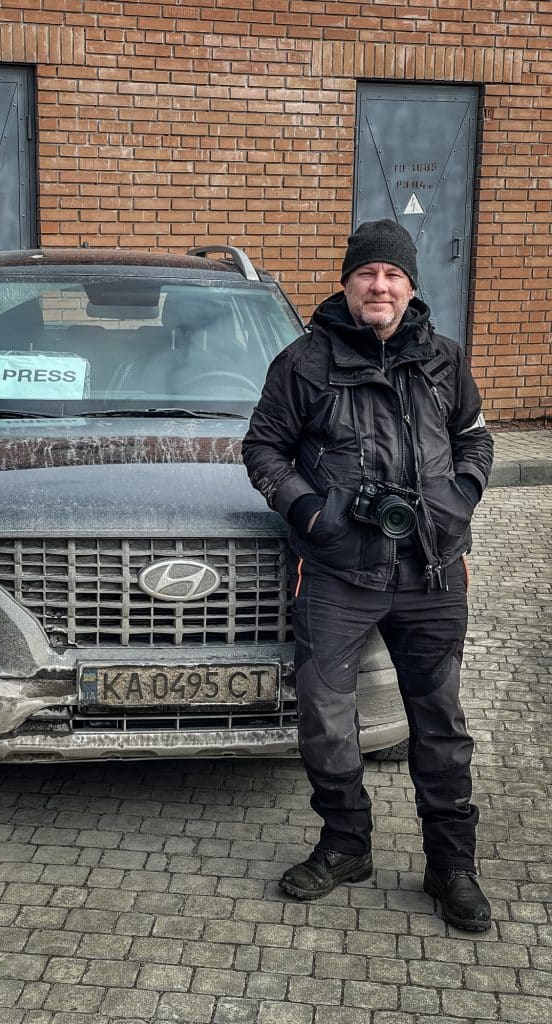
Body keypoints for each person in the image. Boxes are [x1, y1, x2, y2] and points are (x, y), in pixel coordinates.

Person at [242, 220, 494, 931]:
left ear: (411, 286)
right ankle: (345, 844)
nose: (379, 286)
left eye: (392, 275)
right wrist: (312, 513)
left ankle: (452, 866)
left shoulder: (444, 359)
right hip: (337, 573)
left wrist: (460, 495)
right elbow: (263, 448)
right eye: (366, 275)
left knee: (439, 723)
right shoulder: (302, 363)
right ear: (347, 284)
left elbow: (474, 435)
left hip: (433, 571)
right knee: (325, 717)